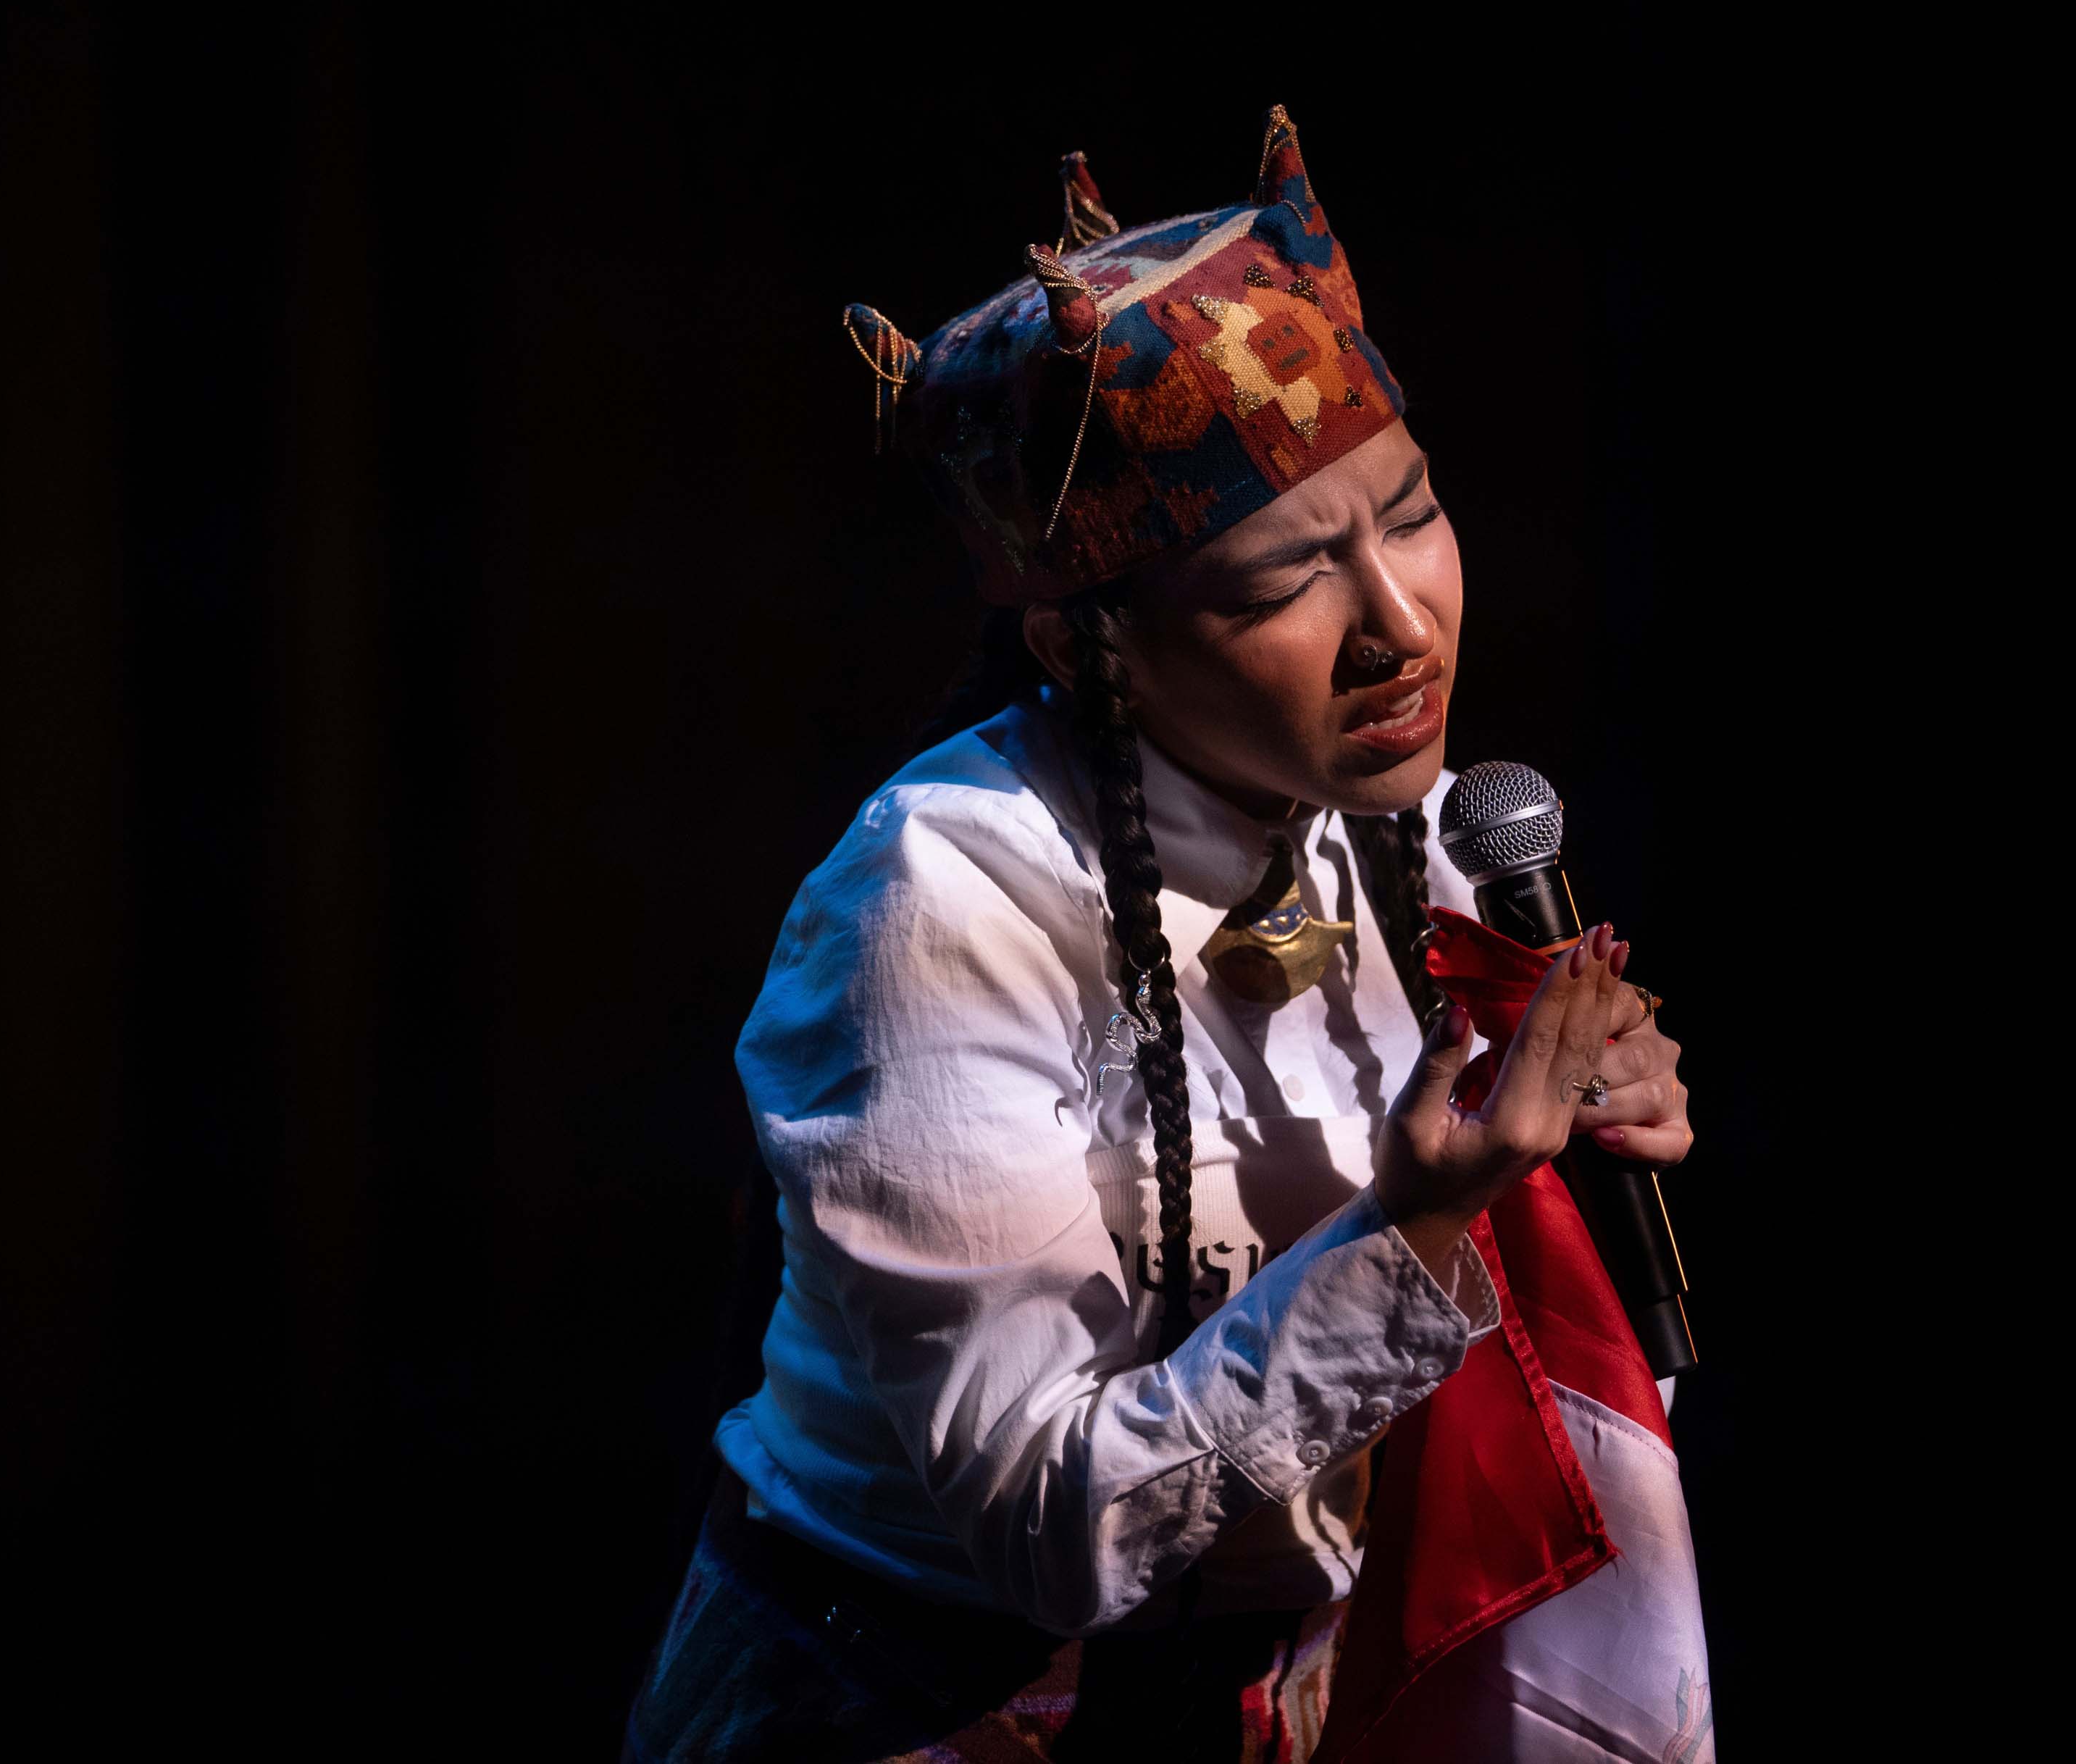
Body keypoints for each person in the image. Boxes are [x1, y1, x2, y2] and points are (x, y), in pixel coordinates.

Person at [623, 108, 1694, 1764]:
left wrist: (1560, 1191)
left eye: (1408, 514)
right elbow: (1054, 1529)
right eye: (1283, 583)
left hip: (1268, 1698)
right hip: (905, 1706)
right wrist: (1412, 1225)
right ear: (1085, 640)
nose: (1398, 626)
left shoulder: (1419, 834)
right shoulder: (944, 892)